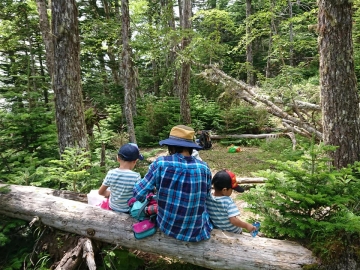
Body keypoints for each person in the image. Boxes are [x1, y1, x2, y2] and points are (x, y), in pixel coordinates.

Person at [133, 125, 213, 242]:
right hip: (196, 230)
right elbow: (206, 196)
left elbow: (138, 193)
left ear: (171, 146)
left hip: (167, 226)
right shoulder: (204, 167)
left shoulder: (160, 164)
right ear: (191, 147)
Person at [206, 170, 258, 234]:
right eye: (231, 189)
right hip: (234, 232)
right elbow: (233, 220)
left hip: (218, 231)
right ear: (224, 190)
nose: (232, 191)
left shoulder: (208, 197)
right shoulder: (228, 201)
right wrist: (246, 225)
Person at [98, 143, 143, 213]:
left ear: (118, 158)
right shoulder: (136, 176)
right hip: (128, 210)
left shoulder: (111, 173)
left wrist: (112, 193)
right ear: (135, 161)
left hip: (112, 207)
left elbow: (101, 192)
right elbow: (139, 195)